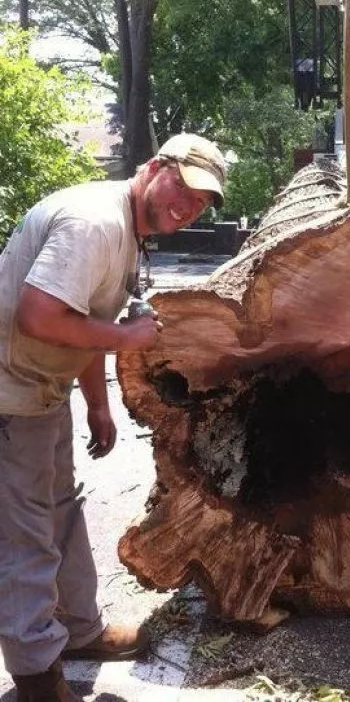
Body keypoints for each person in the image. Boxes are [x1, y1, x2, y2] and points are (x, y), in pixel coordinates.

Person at [0, 133, 226, 702]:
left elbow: (80, 318)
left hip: (40, 389)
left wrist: (97, 404)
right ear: (155, 168)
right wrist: (127, 336)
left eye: (202, 202)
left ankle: (78, 630)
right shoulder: (95, 223)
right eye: (185, 187)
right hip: (9, 393)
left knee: (61, 513)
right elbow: (39, 315)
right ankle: (36, 677)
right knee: (26, 534)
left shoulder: (127, 228)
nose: (190, 205)